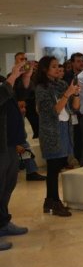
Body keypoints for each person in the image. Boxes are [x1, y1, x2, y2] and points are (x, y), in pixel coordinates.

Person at [35, 56, 80, 217]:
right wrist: (67, 94)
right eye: (53, 66)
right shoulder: (41, 88)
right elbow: (52, 112)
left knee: (60, 164)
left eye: (57, 66)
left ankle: (50, 201)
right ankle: (54, 201)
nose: (57, 69)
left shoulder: (61, 84)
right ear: (44, 69)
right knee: (53, 167)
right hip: (51, 131)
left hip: (65, 128)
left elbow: (74, 108)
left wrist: (76, 94)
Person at [0, 62, 31, 250]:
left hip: (9, 143)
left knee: (7, 185)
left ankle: (3, 222)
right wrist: (12, 77)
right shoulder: (5, 83)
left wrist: (24, 78)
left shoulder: (3, 82)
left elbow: (16, 97)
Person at [16, 101, 46, 181]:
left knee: (26, 147)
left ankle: (31, 172)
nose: (24, 110)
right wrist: (15, 145)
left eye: (24, 107)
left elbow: (22, 134)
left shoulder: (20, 116)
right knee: (25, 147)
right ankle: (30, 172)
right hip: (10, 143)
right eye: (21, 107)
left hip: (19, 140)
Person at [12, 52, 39, 138]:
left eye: (25, 59)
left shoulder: (33, 75)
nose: (24, 61)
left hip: (32, 105)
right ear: (15, 62)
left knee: (37, 128)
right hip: (18, 106)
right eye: (21, 59)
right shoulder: (11, 76)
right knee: (18, 130)